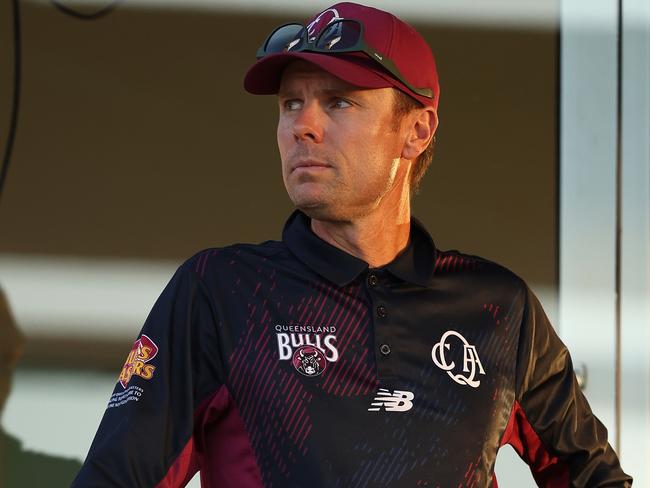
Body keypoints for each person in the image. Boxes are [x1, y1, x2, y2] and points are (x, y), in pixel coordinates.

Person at [73, 3, 632, 487]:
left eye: (339, 102)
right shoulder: (220, 290)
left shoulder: (499, 308)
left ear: (416, 130)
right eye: (291, 103)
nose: (302, 126)